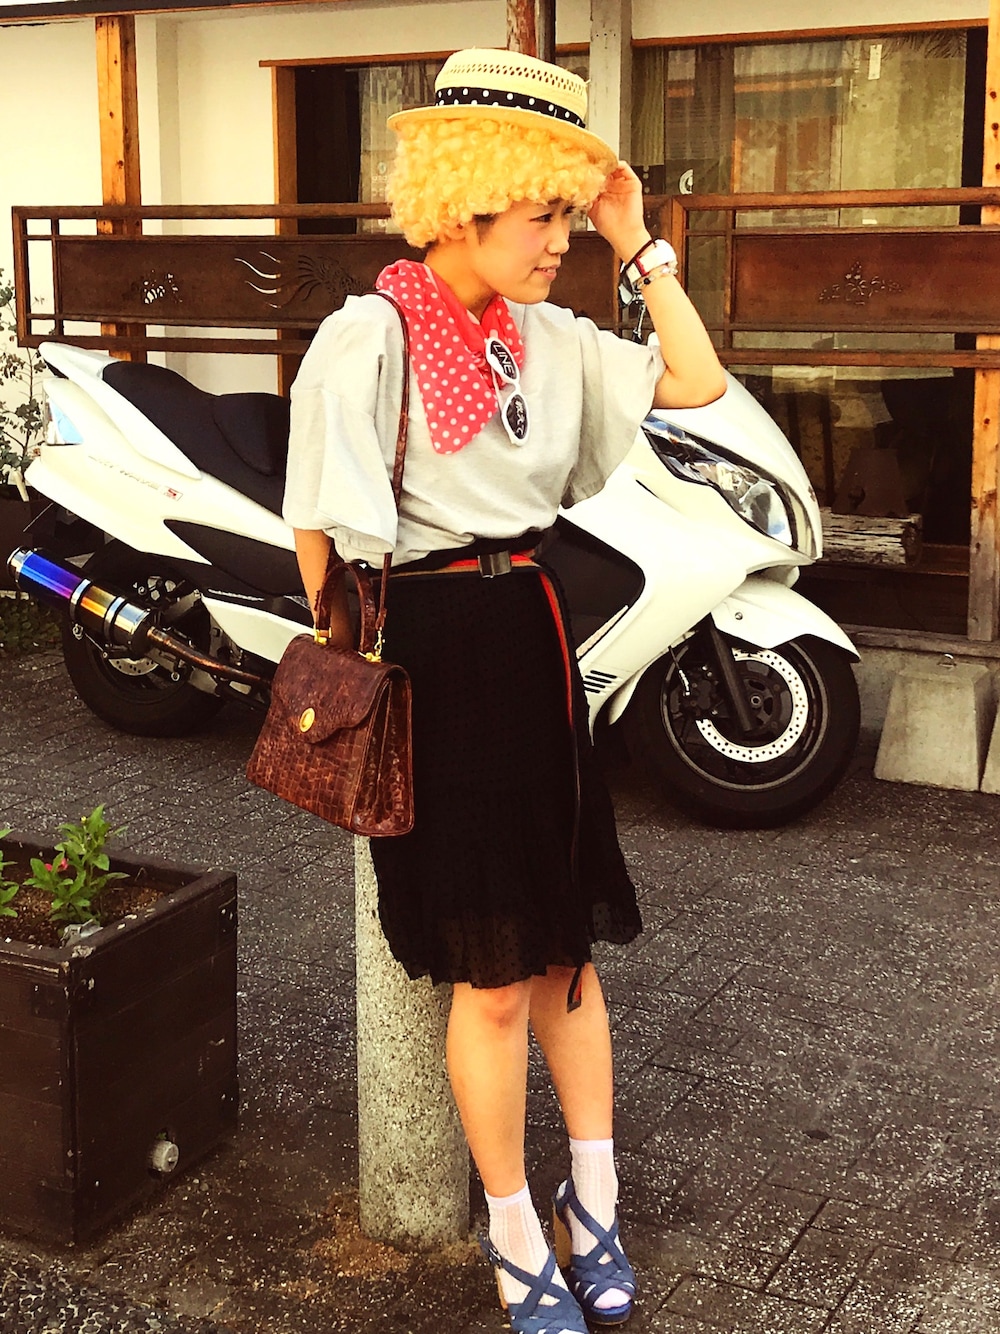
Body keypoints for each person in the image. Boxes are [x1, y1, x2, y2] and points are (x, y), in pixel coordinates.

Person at [283, 47, 724, 1334]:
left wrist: (639, 244)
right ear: (467, 202)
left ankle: (596, 1196)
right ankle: (515, 1228)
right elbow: (318, 524)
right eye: (545, 215)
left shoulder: (547, 337)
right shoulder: (369, 334)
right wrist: (352, 668)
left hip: (533, 635)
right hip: (435, 652)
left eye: (569, 216)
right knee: (488, 972)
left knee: (565, 954)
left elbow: (694, 381)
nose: (560, 242)